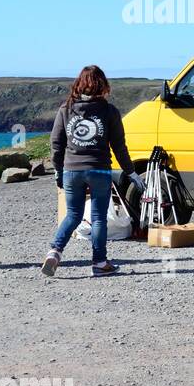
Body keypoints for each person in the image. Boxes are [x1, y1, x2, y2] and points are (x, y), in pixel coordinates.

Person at [44, 66, 141, 277]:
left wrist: (57, 171)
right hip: (99, 170)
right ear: (102, 85)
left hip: (72, 170)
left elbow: (56, 143)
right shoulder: (109, 111)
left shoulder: (65, 109)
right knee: (98, 218)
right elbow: (119, 146)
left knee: (73, 215)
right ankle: (99, 262)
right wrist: (131, 172)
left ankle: (55, 251)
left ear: (79, 84)